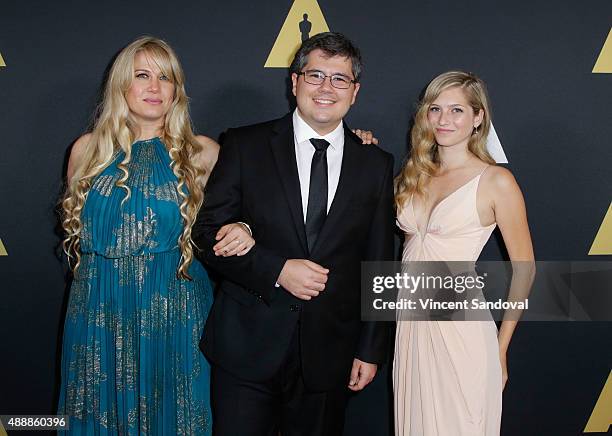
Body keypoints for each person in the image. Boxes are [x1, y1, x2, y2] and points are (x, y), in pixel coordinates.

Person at [192, 32, 395, 435]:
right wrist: (276, 268)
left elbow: (381, 265)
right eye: (315, 74)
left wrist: (371, 350)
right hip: (246, 349)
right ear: (294, 82)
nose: (325, 88)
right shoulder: (244, 144)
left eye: (339, 79)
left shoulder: (375, 163)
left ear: (354, 92)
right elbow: (206, 234)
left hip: (329, 355)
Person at [57, 36, 254, 435]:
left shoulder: (203, 153)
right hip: (99, 311)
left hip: (176, 309)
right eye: (142, 75)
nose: (153, 87)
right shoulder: (86, 151)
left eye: (165, 77)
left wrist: (244, 227)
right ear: (121, 85)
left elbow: (256, 211)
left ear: (176, 90)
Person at [393, 71, 534, 435]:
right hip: (411, 327)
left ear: (478, 118)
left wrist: (501, 347)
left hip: (462, 331)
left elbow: (526, 270)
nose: (444, 119)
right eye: (435, 108)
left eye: (457, 110)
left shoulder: (496, 181)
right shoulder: (413, 175)